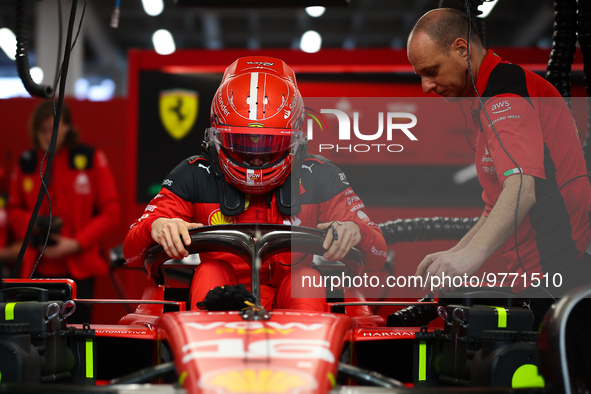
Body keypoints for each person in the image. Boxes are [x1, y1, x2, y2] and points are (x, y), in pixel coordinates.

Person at [123, 56, 388, 311]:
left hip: (296, 304)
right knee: (210, 271)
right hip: (218, 302)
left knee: (305, 278)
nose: (256, 159)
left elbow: (378, 255)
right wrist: (155, 226)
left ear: (295, 139)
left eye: (270, 144)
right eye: (242, 143)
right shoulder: (194, 173)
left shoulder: (319, 174)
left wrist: (357, 231)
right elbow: (131, 253)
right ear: (217, 136)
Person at [407, 8, 591, 298]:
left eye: (431, 72)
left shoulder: (505, 96)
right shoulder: (487, 96)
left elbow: (521, 188)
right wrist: (455, 253)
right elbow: (496, 205)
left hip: (560, 276)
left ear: (462, 50)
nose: (426, 86)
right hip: (535, 275)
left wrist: (469, 259)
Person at [8, 100, 121, 323]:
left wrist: (76, 243)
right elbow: (14, 210)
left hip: (80, 269)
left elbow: (111, 212)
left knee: (77, 334)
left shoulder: (90, 159)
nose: (49, 135)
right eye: (43, 130)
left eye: (54, 129)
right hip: (36, 268)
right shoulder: (27, 163)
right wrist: (34, 229)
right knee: (36, 339)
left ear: (67, 127)